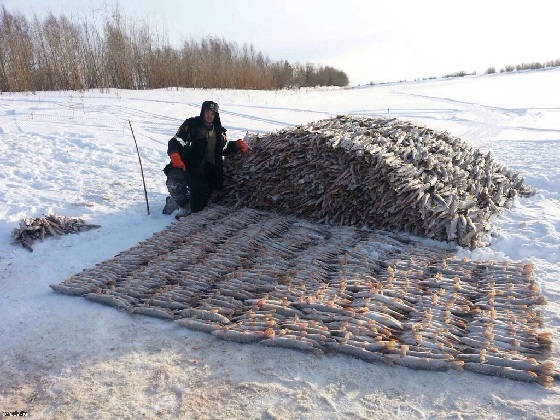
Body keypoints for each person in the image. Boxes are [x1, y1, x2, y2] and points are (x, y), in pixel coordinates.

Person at [162, 101, 249, 218]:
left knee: (199, 206)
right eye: (207, 112)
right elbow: (176, 141)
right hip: (186, 165)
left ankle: (185, 201)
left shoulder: (219, 131)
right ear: (203, 112)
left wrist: (237, 144)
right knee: (174, 181)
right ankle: (179, 204)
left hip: (205, 171)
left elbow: (224, 147)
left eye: (213, 114)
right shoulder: (191, 125)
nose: (209, 116)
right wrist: (175, 155)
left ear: (216, 115)